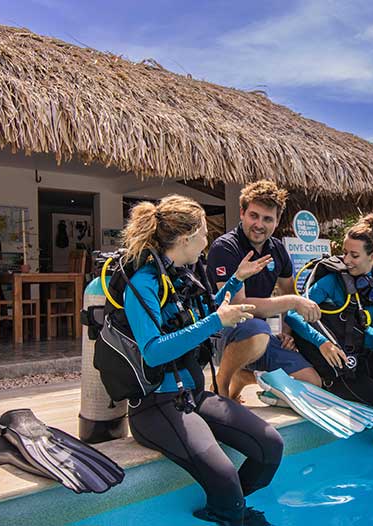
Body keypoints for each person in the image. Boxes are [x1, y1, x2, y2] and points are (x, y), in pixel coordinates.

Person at [122, 194, 283, 526]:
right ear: (185, 239)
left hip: (192, 395)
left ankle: (229, 508)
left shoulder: (183, 274)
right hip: (158, 406)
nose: (207, 240)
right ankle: (230, 510)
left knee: (270, 447)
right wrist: (215, 322)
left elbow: (209, 311)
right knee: (225, 479)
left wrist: (237, 279)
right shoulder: (142, 284)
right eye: (203, 234)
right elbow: (153, 350)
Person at [284, 214, 373, 457]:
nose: (346, 260)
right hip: (344, 368)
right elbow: (294, 315)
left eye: (354, 255)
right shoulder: (331, 282)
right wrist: (323, 343)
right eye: (344, 252)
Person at [207, 180, 321, 400]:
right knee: (257, 328)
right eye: (254, 215)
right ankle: (223, 381)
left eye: (267, 219)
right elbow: (239, 306)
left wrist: (288, 334)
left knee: (312, 383)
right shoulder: (225, 247)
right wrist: (292, 302)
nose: (259, 224)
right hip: (221, 335)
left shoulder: (277, 250)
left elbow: (290, 292)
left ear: (277, 221)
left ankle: (243, 377)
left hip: (260, 337)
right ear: (242, 213)